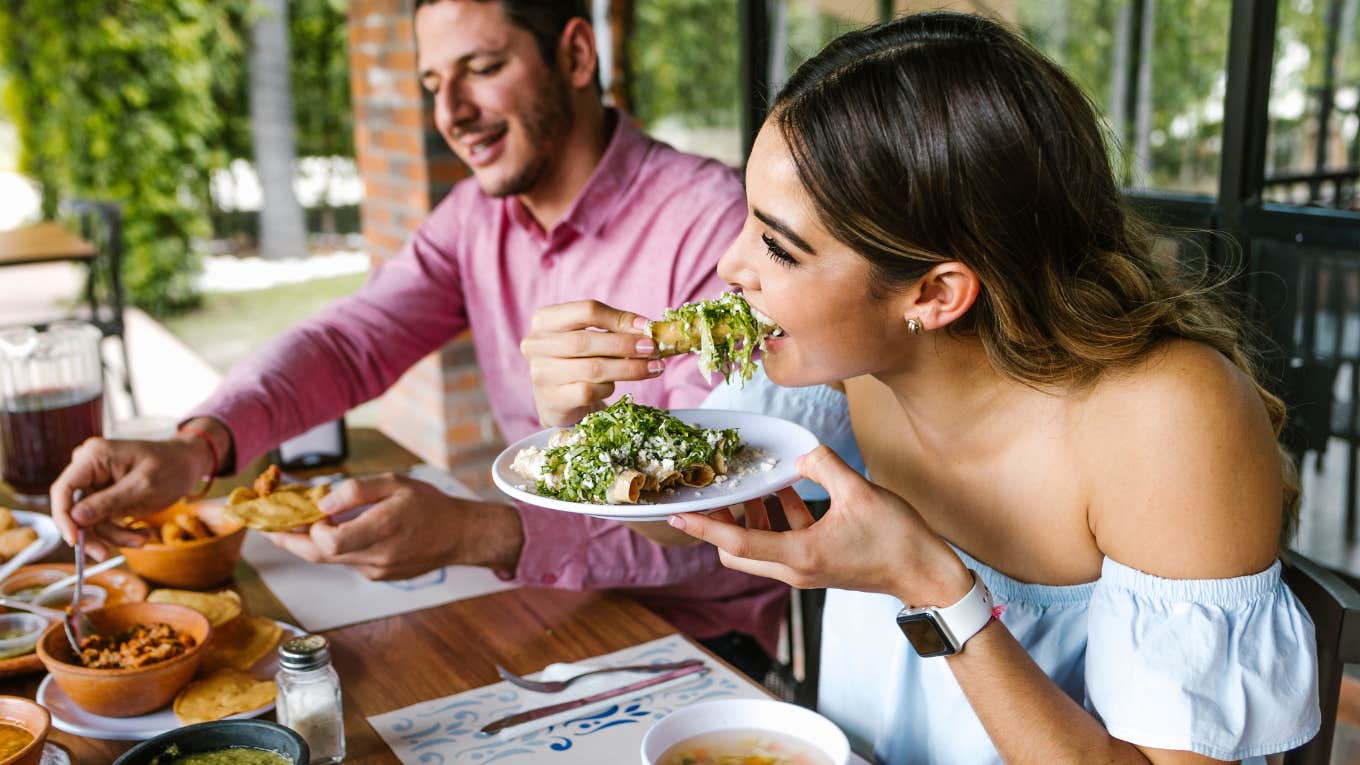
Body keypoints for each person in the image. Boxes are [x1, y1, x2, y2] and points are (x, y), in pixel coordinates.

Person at [529, 11, 1320, 764]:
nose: (730, 269)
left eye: (777, 245)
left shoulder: (1169, 419)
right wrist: (580, 428)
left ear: (936, 294)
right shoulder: (849, 370)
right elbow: (692, 518)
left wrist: (934, 585)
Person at [48, 0, 792, 679]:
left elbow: (721, 522)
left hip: (701, 645)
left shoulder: (711, 226)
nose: (452, 113)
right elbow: (353, 341)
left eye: (483, 68)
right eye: (434, 82)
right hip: (544, 606)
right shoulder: (475, 218)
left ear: (574, 56)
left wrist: (480, 533)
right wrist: (199, 444)